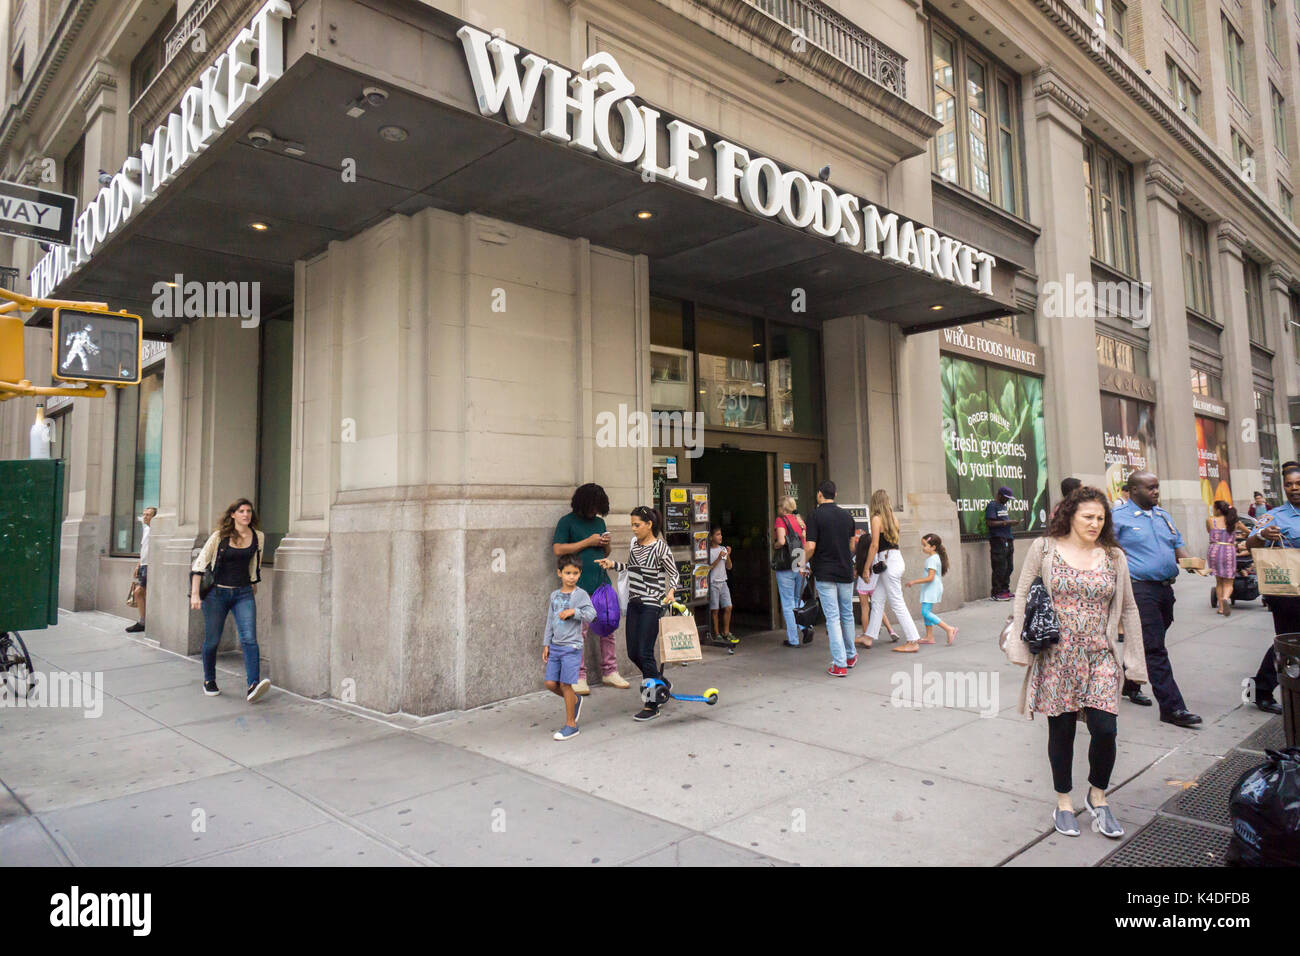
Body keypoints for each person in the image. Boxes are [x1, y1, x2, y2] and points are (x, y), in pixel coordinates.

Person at [1005, 486, 1146, 840]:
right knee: (1062, 730)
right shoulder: (1045, 548)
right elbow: (1022, 592)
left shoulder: (1113, 556)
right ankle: (1064, 801)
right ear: (1070, 515)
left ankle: (1098, 795)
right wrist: (1021, 648)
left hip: (1100, 654)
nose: (1095, 523)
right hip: (1057, 655)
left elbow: (1128, 607)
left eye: (1101, 518)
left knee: (1105, 729)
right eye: (1088, 516)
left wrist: (1134, 662)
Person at [1111, 471, 1206, 727]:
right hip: (1139, 589)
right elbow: (1105, 549)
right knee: (1154, 647)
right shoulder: (1117, 518)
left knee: (1149, 641)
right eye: (1150, 488)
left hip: (1165, 590)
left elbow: (1177, 544)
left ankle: (1129, 682)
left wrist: (1193, 563)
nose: (1155, 492)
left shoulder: (1163, 516)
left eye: (1157, 487)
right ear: (1132, 490)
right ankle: (1172, 708)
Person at [596, 506, 679, 721]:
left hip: (653, 604)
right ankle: (659, 680)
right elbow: (633, 568)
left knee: (644, 652)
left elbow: (674, 573)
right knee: (633, 652)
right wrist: (613, 564)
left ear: (649, 524)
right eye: (632, 525)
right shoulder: (635, 545)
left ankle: (652, 704)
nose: (633, 529)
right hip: (635, 602)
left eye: (637, 525)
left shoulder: (660, 548)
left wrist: (670, 592)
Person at [190, 498, 270, 702]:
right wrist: (196, 594)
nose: (246, 514)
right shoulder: (219, 537)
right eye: (241, 511)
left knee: (249, 639)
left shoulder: (258, 537)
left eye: (249, 511)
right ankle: (209, 679)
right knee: (212, 640)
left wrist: (253, 583)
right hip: (217, 595)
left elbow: (255, 563)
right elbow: (200, 564)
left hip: (243, 594)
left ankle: (253, 684)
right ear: (233, 514)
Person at [552, 483, 628, 694]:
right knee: (579, 633)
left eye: (599, 507)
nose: (595, 511)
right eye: (593, 506)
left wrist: (605, 544)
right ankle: (578, 675)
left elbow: (606, 553)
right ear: (583, 503)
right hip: (578, 586)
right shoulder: (567, 522)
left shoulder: (600, 522)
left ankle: (610, 671)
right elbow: (558, 549)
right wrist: (587, 541)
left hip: (601, 582)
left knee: (608, 628)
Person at [1243, 462, 1300, 714]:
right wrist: (1265, 534)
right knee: (1289, 641)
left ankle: (1262, 686)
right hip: (1287, 591)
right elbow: (1251, 540)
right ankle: (1262, 689)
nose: (1294, 488)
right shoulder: (1276, 515)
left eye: (1298, 483)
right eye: (1289, 484)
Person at [856, 488, 924, 654]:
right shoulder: (894, 519)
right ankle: (869, 636)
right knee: (878, 600)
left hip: (886, 562)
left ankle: (913, 639)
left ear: (875, 503)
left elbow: (874, 545)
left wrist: (866, 568)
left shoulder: (877, 519)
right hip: (895, 560)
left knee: (897, 603)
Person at [804, 480, 858, 676]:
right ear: (835, 494)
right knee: (847, 615)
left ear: (820, 494)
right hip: (845, 571)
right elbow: (852, 546)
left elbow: (810, 547)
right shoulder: (847, 516)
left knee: (833, 618)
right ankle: (851, 655)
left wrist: (801, 563)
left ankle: (839, 663)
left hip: (825, 573)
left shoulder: (815, 515)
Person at [543, 555, 596, 741]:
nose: (571, 577)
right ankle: (575, 699)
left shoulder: (581, 595)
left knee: (566, 684)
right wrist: (546, 644)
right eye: (567, 573)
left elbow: (591, 614)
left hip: (572, 647)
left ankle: (571, 725)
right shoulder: (554, 596)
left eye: (575, 573)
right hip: (556, 647)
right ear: (559, 573)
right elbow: (550, 620)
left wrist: (574, 612)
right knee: (550, 683)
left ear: (580, 574)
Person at [906, 533, 957, 645]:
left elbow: (930, 578)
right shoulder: (934, 558)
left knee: (925, 612)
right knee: (926, 612)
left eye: (925, 545)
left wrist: (914, 582)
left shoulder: (932, 559)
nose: (923, 548)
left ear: (933, 547)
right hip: (931, 588)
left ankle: (949, 629)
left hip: (931, 588)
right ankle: (929, 637)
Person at [773, 496, 808, 648]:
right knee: (798, 599)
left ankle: (793, 639)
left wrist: (774, 545)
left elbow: (781, 541)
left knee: (787, 603)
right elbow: (805, 542)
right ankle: (805, 627)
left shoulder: (781, 520)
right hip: (800, 560)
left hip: (786, 562)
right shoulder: (800, 521)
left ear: (782, 507)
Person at [853, 529, 899, 646]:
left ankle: (866, 635)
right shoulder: (876, 555)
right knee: (879, 609)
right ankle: (891, 631)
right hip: (875, 585)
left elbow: (854, 573)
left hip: (863, 585)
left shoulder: (857, 557)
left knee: (865, 609)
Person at [126, 506, 157, 634]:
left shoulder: (155, 531)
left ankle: (143, 622)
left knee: (138, 592)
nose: (145, 517)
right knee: (141, 593)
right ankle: (144, 621)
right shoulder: (146, 530)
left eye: (148, 515)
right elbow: (144, 549)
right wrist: (139, 565)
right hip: (144, 565)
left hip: (150, 565)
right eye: (144, 514)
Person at [1207, 499, 1239, 617]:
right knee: (1228, 582)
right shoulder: (1234, 522)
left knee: (1219, 581)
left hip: (1214, 550)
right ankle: (1226, 598)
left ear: (1218, 510)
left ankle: (1221, 608)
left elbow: (1209, 532)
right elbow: (1248, 532)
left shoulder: (1210, 520)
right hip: (1228, 551)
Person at [985, 486, 1017, 600]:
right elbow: (989, 523)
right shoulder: (992, 506)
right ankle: (996, 592)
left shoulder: (1003, 506)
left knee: (1009, 566)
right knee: (1000, 567)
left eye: (1009, 498)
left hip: (1008, 538)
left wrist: (1009, 523)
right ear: (999, 495)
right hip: (998, 539)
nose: (1007, 500)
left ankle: (1005, 589)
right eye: (1006, 497)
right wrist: (1006, 523)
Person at [707, 526, 734, 644]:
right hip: (713, 583)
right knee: (715, 609)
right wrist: (719, 558)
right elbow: (709, 568)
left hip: (723, 581)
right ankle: (717, 633)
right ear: (711, 537)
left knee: (728, 607)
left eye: (721, 534)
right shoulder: (708, 551)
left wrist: (727, 555)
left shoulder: (722, 548)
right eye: (717, 534)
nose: (720, 536)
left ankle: (726, 632)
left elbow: (729, 566)